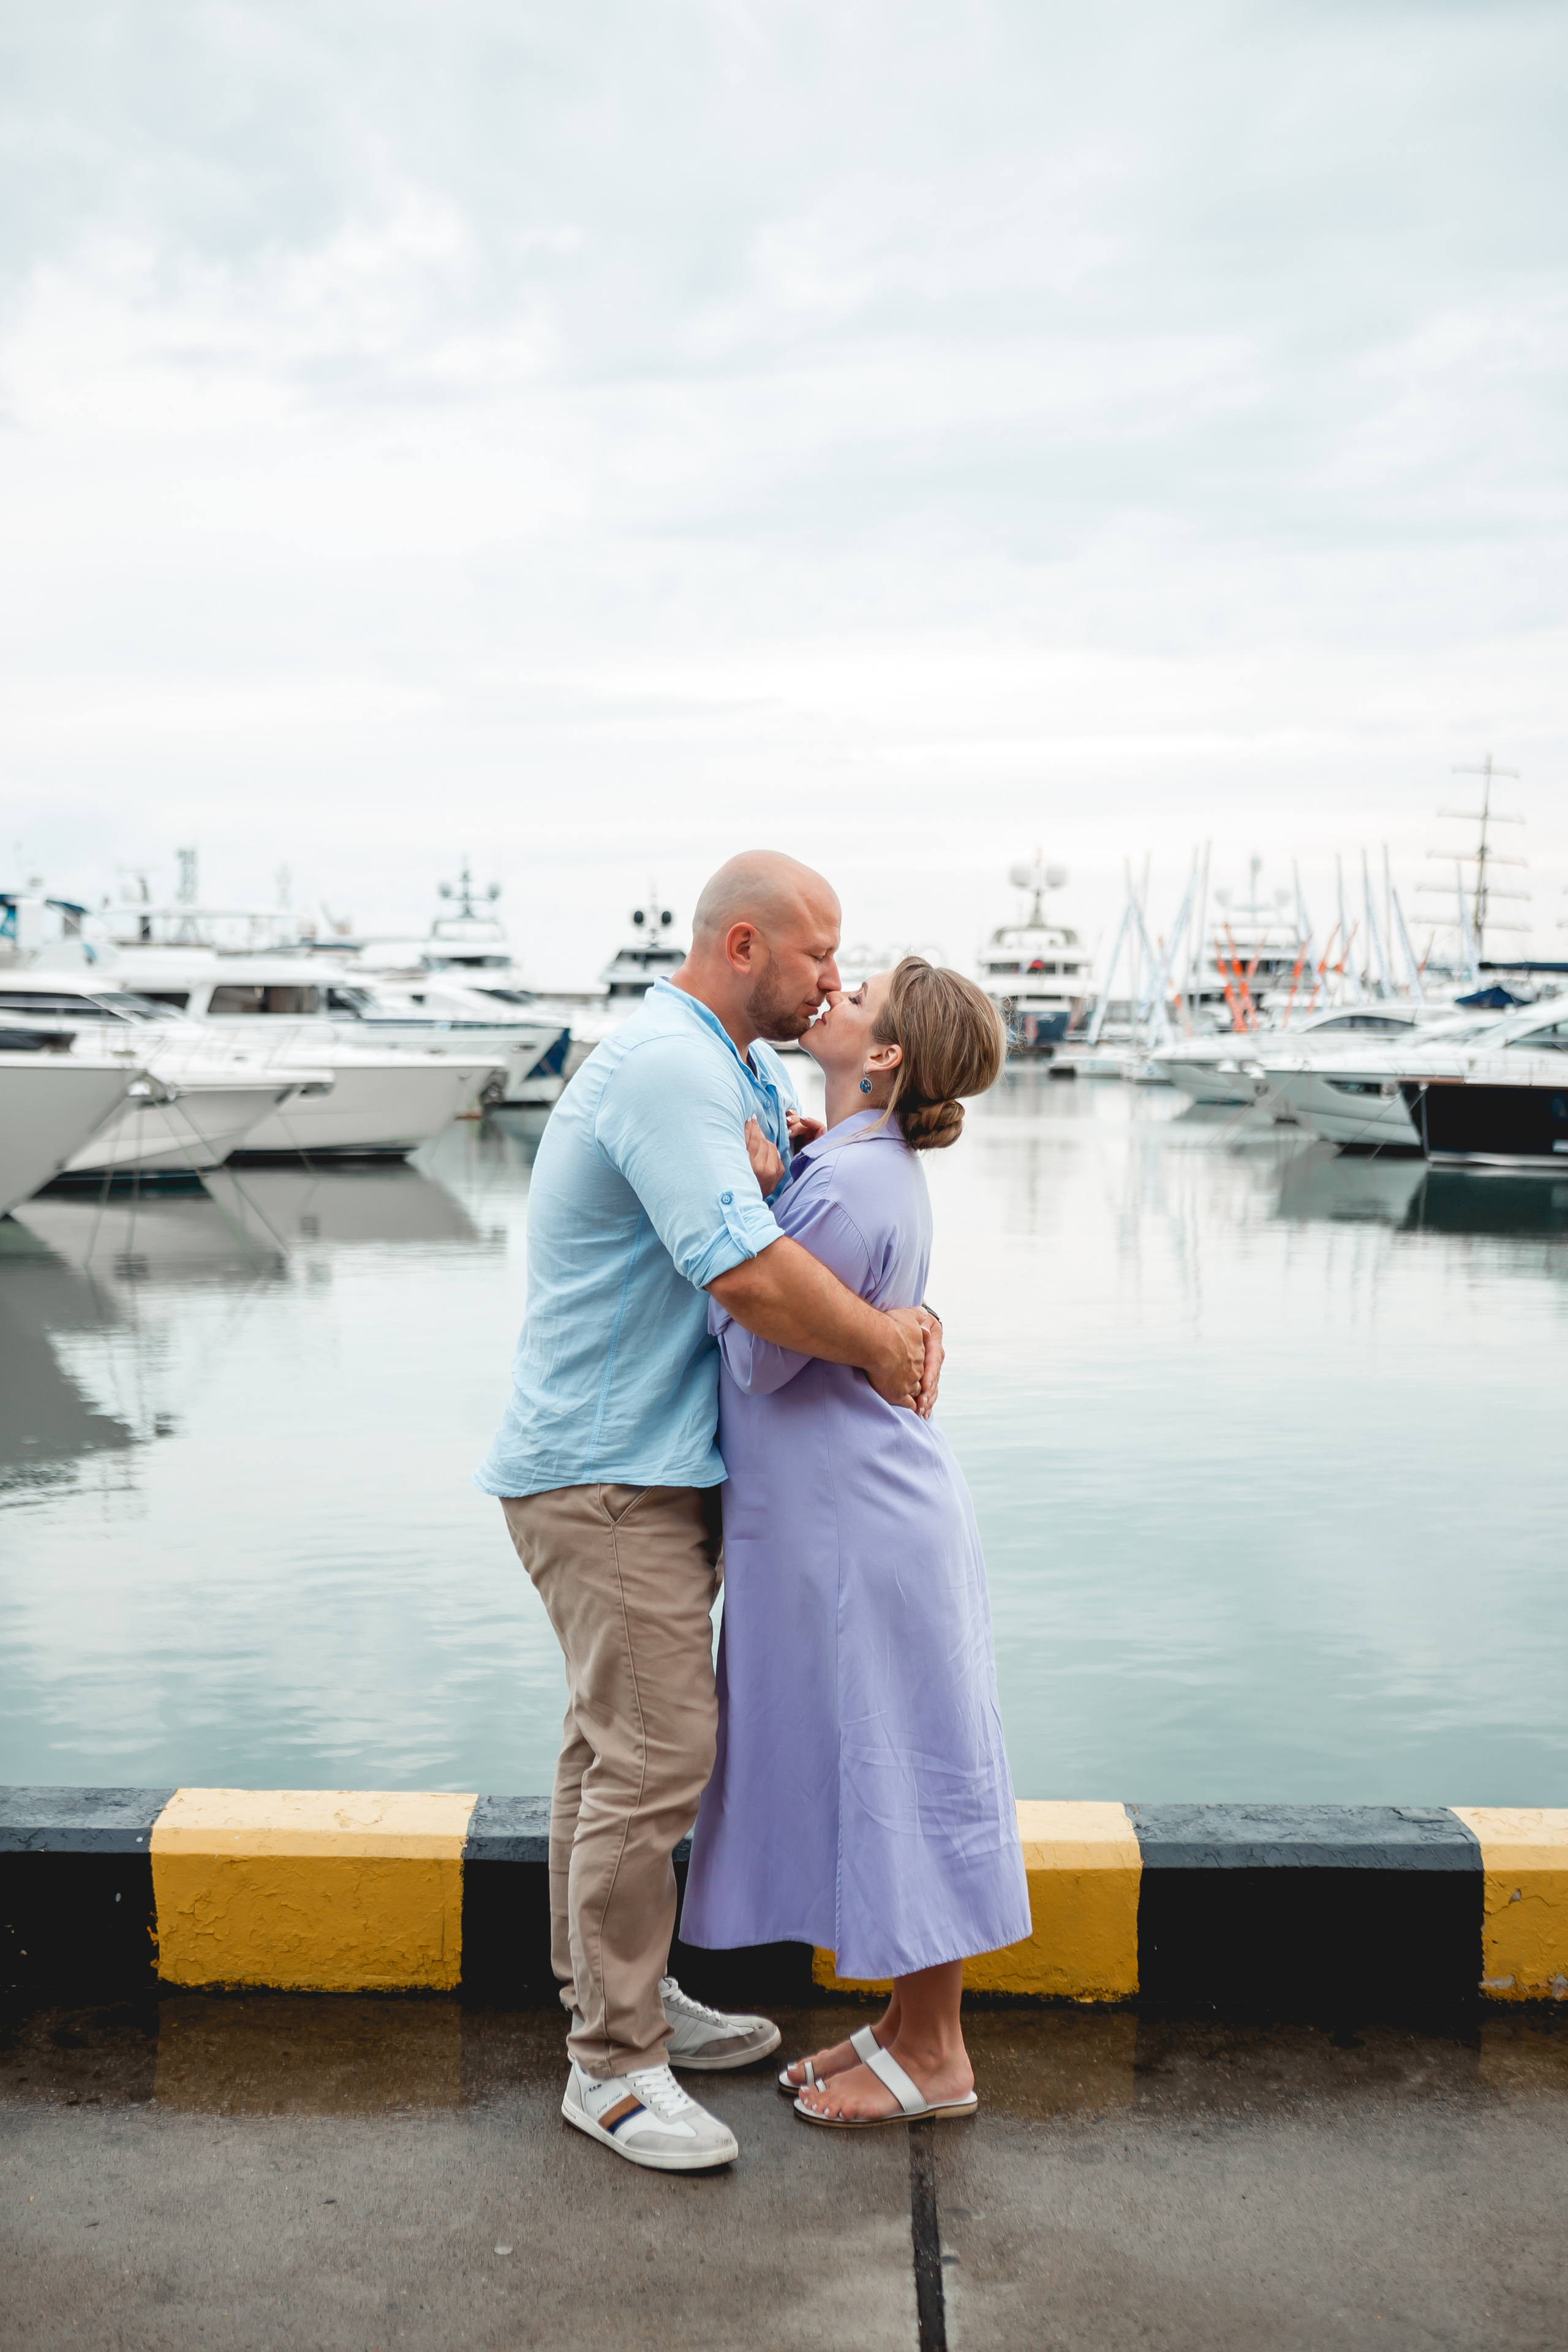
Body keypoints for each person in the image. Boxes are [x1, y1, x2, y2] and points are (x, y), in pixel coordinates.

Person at [474, 852, 944, 2174]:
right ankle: (613, 2070)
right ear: (743, 945)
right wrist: (884, 1350)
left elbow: (772, 1203)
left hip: (645, 1466)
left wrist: (793, 1151)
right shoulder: (672, 1069)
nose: (834, 981)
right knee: (656, 1755)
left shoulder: (732, 1066)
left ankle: (618, 2000)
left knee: (606, 1752)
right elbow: (742, 1273)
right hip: (605, 1472)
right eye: (816, 958)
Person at [680, 956, 1031, 2127]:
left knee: (902, 1767)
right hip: (855, 1518)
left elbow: (760, 1353)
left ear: (883, 1058)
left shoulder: (844, 1185)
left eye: (863, 994)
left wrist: (752, 1204)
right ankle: (902, 2025)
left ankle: (938, 2054)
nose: (837, 993)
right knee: (887, 1760)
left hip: (857, 1530)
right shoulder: (856, 1165)